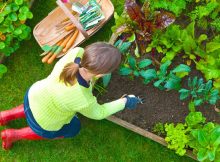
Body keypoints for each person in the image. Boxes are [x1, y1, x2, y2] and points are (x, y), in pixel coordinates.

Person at [0, 42, 142, 150]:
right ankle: (13, 135)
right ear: (101, 75)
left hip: (33, 95)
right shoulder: (83, 99)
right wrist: (125, 101)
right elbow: (99, 113)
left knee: (34, 106)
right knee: (74, 128)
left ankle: (5, 115)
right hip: (44, 122)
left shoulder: (76, 53)